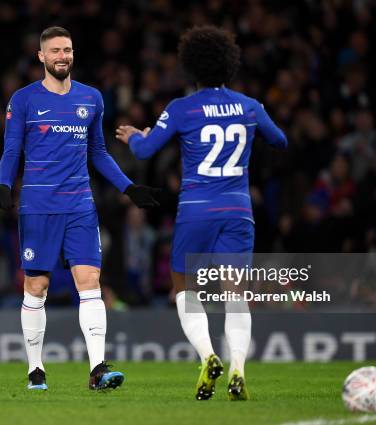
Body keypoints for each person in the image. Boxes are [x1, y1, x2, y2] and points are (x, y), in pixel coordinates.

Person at [116, 26, 288, 401]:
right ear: (230, 66)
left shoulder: (181, 109)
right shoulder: (250, 106)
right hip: (238, 210)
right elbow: (281, 140)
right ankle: (238, 368)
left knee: (184, 290)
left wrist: (136, 136)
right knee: (235, 296)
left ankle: (209, 355)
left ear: (191, 68)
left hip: (195, 211)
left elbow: (145, 153)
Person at [0, 26, 159, 391]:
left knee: (90, 283)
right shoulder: (23, 100)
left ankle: (98, 368)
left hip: (80, 205)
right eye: (54, 51)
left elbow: (97, 152)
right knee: (37, 285)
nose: (62, 56)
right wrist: (4, 182)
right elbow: (12, 149)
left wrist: (128, 188)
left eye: (67, 49)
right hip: (38, 206)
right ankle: (36, 369)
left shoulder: (92, 98)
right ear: (41, 57)